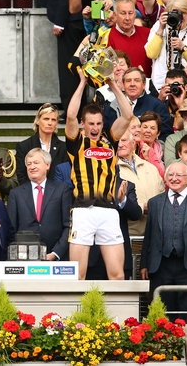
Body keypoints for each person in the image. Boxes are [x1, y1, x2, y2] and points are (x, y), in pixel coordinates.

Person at [65, 64, 133, 281]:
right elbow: (70, 115)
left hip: (108, 210)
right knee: (78, 275)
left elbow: (129, 114)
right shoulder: (76, 142)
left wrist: (113, 83)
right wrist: (82, 82)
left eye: (98, 123)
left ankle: (119, 317)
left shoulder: (110, 141)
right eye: (90, 123)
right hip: (83, 210)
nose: (94, 127)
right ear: (83, 124)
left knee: (117, 275)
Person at [142, 160, 187, 319]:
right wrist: (144, 264)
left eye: (179, 175)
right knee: (163, 313)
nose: (174, 178)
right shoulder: (154, 203)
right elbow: (149, 235)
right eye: (170, 175)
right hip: (161, 265)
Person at [7, 149, 72, 261]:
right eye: (29, 164)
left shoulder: (61, 190)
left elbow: (68, 225)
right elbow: (11, 229)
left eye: (36, 163)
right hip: (24, 258)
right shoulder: (16, 194)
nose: (32, 167)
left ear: (47, 165)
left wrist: (56, 253)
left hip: (56, 256)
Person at [145, 0, 187, 87]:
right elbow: (151, 54)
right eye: (176, 12)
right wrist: (161, 29)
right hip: (161, 84)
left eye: (183, 12)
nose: (180, 16)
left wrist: (184, 48)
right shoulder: (159, 26)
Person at [103, 68, 172, 142]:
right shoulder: (112, 106)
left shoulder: (157, 106)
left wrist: (153, 150)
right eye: (128, 81)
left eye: (137, 80)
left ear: (144, 84)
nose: (132, 84)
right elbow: (104, 135)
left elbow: (166, 136)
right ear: (123, 84)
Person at [14, 104, 68, 184]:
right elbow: (21, 175)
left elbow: (65, 175)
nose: (50, 123)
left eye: (53, 120)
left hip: (57, 193)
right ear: (37, 121)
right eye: (46, 119)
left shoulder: (64, 147)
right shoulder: (24, 146)